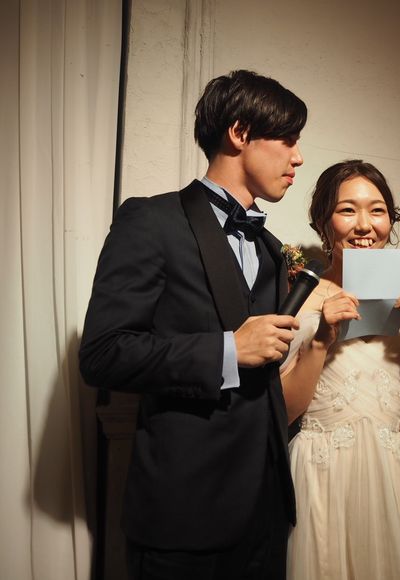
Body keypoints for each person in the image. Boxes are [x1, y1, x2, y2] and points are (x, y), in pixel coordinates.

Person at [79, 70, 307, 580]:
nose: (298, 157)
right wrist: (227, 350)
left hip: (267, 512)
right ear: (240, 133)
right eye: (288, 139)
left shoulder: (272, 250)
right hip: (185, 515)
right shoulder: (151, 221)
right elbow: (103, 353)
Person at [282, 160, 400, 579]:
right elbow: (283, 410)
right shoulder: (300, 295)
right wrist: (322, 338)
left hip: (391, 476)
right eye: (347, 210)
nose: (364, 225)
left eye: (377, 211)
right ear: (324, 221)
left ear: (390, 220)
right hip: (321, 472)